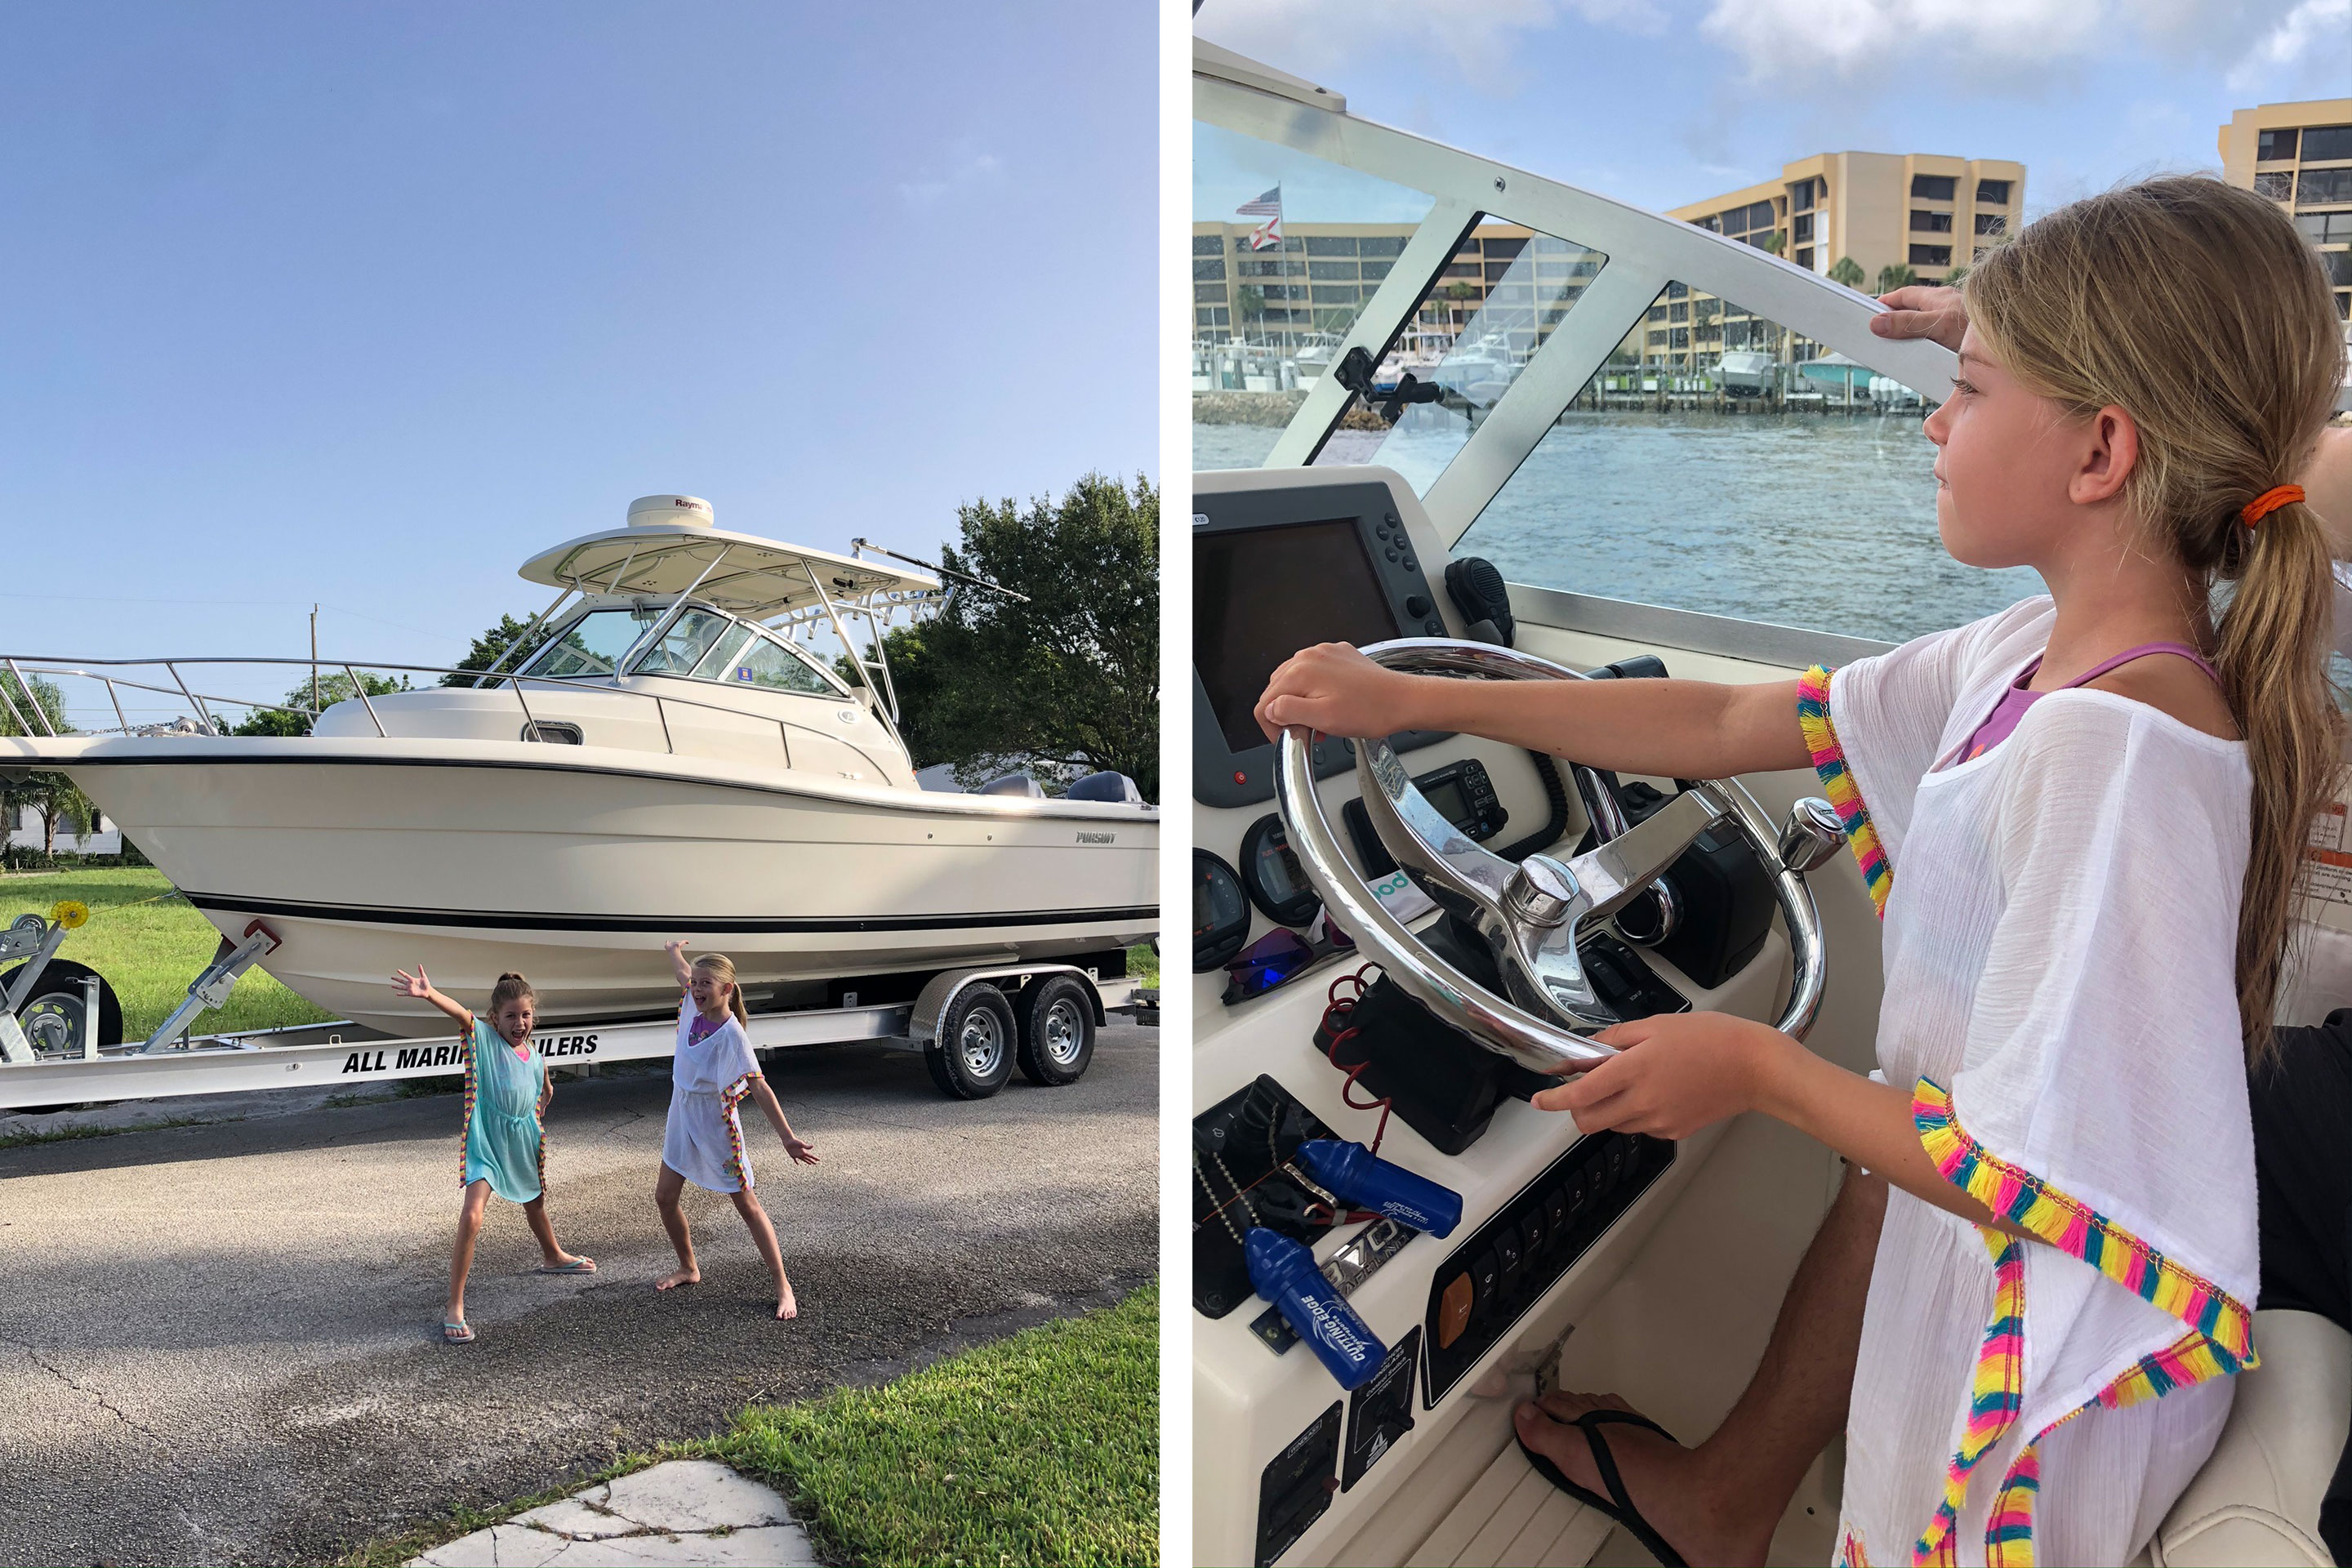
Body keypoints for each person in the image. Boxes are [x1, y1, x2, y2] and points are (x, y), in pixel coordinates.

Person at [1256, 176, 2346, 1565]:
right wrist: (1415, 698)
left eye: (1971, 389)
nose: (1935, 422)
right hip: (1980, 1264)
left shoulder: (2113, 753)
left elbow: (2030, 1176)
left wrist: (1757, 1071)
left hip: (2038, 1350)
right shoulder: (2030, 654)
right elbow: (1725, 724)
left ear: (2102, 453)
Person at [390, 965, 595, 1345]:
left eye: (526, 1015)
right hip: (486, 1139)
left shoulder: (534, 1054)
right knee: (472, 1216)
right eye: (511, 1016)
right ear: (495, 1018)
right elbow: (461, 1014)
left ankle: (553, 1256)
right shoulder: (484, 1040)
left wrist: (547, 1086)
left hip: (521, 1140)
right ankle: (454, 1304)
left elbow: (538, 1073)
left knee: (536, 1203)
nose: (520, 1023)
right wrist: (430, 994)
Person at [652, 939, 819, 1320]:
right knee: (664, 1197)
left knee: (747, 1205)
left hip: (715, 1124)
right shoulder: (692, 1003)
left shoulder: (732, 1036)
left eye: (705, 984)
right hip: (681, 1114)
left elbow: (759, 1087)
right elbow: (683, 973)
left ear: (726, 989)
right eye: (695, 983)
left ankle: (783, 1286)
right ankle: (689, 1268)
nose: (696, 988)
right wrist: (673, 951)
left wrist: (787, 1138)